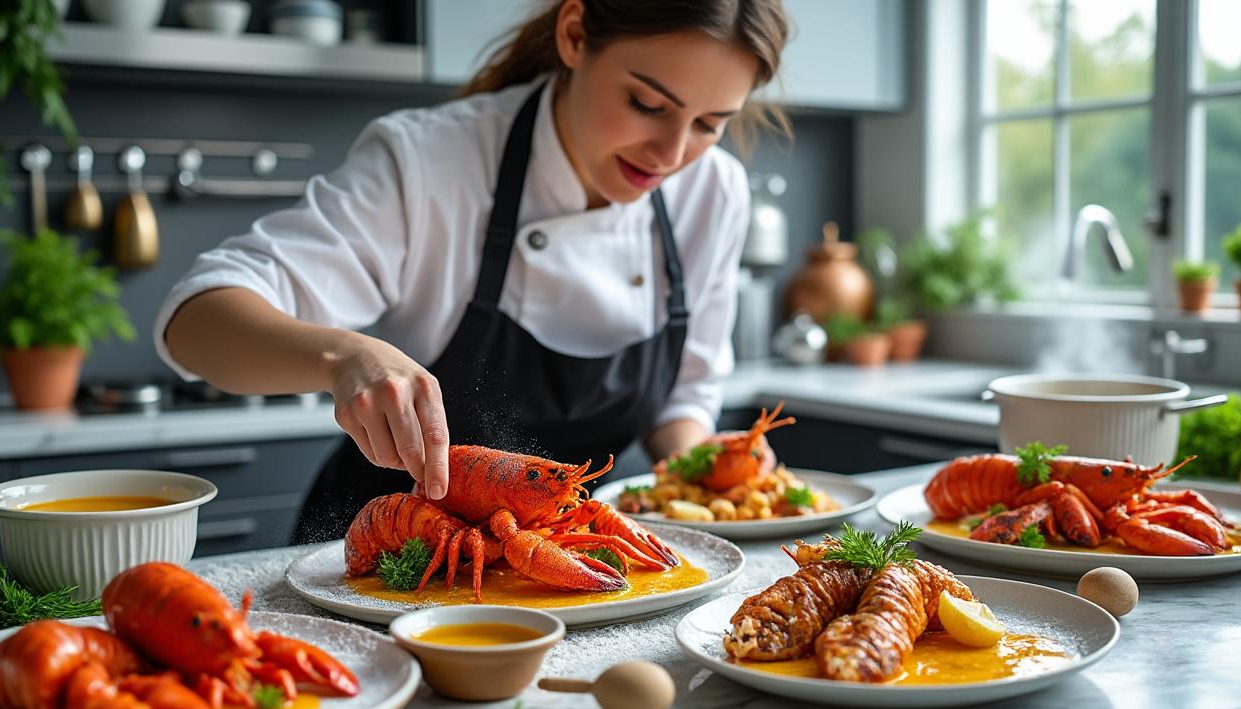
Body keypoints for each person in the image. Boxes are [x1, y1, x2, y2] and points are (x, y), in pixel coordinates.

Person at [156, 0, 790, 543]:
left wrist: (702, 468)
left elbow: (683, 397)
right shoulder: (431, 161)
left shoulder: (712, 191)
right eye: (647, 103)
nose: (673, 155)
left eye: (710, 124)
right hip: (383, 550)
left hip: (557, 552)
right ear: (573, 35)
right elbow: (197, 318)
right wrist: (345, 356)